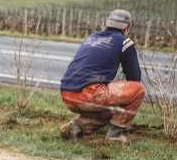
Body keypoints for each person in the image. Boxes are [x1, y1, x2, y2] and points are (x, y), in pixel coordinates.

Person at [59, 9, 145, 143]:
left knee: (110, 110)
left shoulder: (91, 38)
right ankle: (115, 136)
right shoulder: (124, 41)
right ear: (127, 28)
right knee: (138, 89)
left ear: (107, 24)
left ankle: (77, 127)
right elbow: (134, 78)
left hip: (67, 94)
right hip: (90, 94)